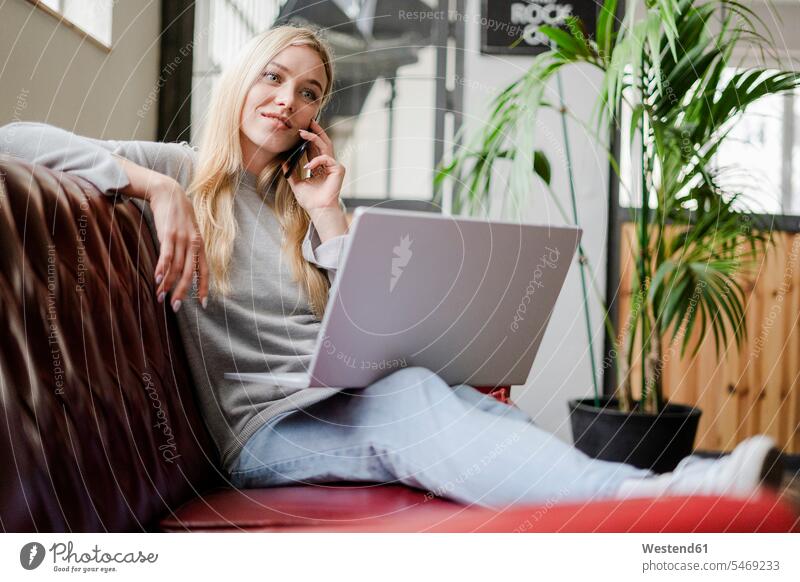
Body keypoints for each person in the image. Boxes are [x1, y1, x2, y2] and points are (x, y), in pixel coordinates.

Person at [0, 25, 784, 510]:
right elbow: (15, 138)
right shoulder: (175, 168)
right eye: (274, 78)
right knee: (411, 402)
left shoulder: (298, 205)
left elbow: (358, 330)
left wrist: (330, 212)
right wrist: (153, 186)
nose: (287, 101)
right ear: (242, 82)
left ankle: (625, 493)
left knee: (449, 396)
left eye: (308, 93)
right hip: (261, 433)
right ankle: (655, 497)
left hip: (334, 400)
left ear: (316, 120)